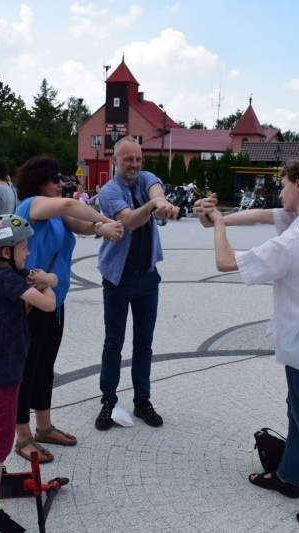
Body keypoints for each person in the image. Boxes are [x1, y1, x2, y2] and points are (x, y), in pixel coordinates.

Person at [195, 158, 299, 529]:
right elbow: (263, 216)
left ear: (298, 185)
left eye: (282, 185)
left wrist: (217, 224)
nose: (279, 191)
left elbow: (224, 261)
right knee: (298, 408)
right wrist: (221, 216)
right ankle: (288, 475)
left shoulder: (293, 242)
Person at [13, 156, 124, 463]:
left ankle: (44, 426)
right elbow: (68, 207)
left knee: (45, 366)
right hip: (32, 303)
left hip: (54, 303)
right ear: (39, 182)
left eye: (61, 179)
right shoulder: (31, 206)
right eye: (55, 179)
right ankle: (22, 437)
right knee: (26, 370)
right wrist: (103, 221)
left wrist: (102, 229)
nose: (61, 184)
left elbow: (77, 223)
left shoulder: (55, 213)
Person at [0, 214, 57, 533]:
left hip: (2, 372)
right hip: (1, 378)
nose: (28, 252)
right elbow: (48, 304)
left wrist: (49, 280)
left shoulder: (6, 272)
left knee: (0, 437)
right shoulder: (4, 279)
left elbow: (51, 281)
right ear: (5, 251)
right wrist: (48, 285)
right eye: (24, 246)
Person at [94, 136, 179, 431]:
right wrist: (155, 205)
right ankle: (108, 402)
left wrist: (159, 199)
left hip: (148, 277)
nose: (134, 165)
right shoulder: (109, 191)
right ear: (115, 161)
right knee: (113, 343)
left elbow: (155, 188)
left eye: (138, 159)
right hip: (118, 279)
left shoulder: (145, 179)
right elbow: (129, 221)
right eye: (128, 159)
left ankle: (142, 400)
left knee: (144, 343)